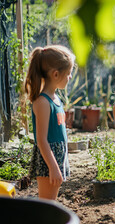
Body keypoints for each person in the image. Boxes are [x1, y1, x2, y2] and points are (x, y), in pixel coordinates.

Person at [25, 45, 75, 200]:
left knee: (51, 201)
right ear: (55, 74)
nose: (70, 77)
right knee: (47, 202)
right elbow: (41, 139)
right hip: (48, 160)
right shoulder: (43, 102)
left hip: (57, 156)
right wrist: (53, 166)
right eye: (68, 74)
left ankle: (46, 223)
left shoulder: (55, 99)